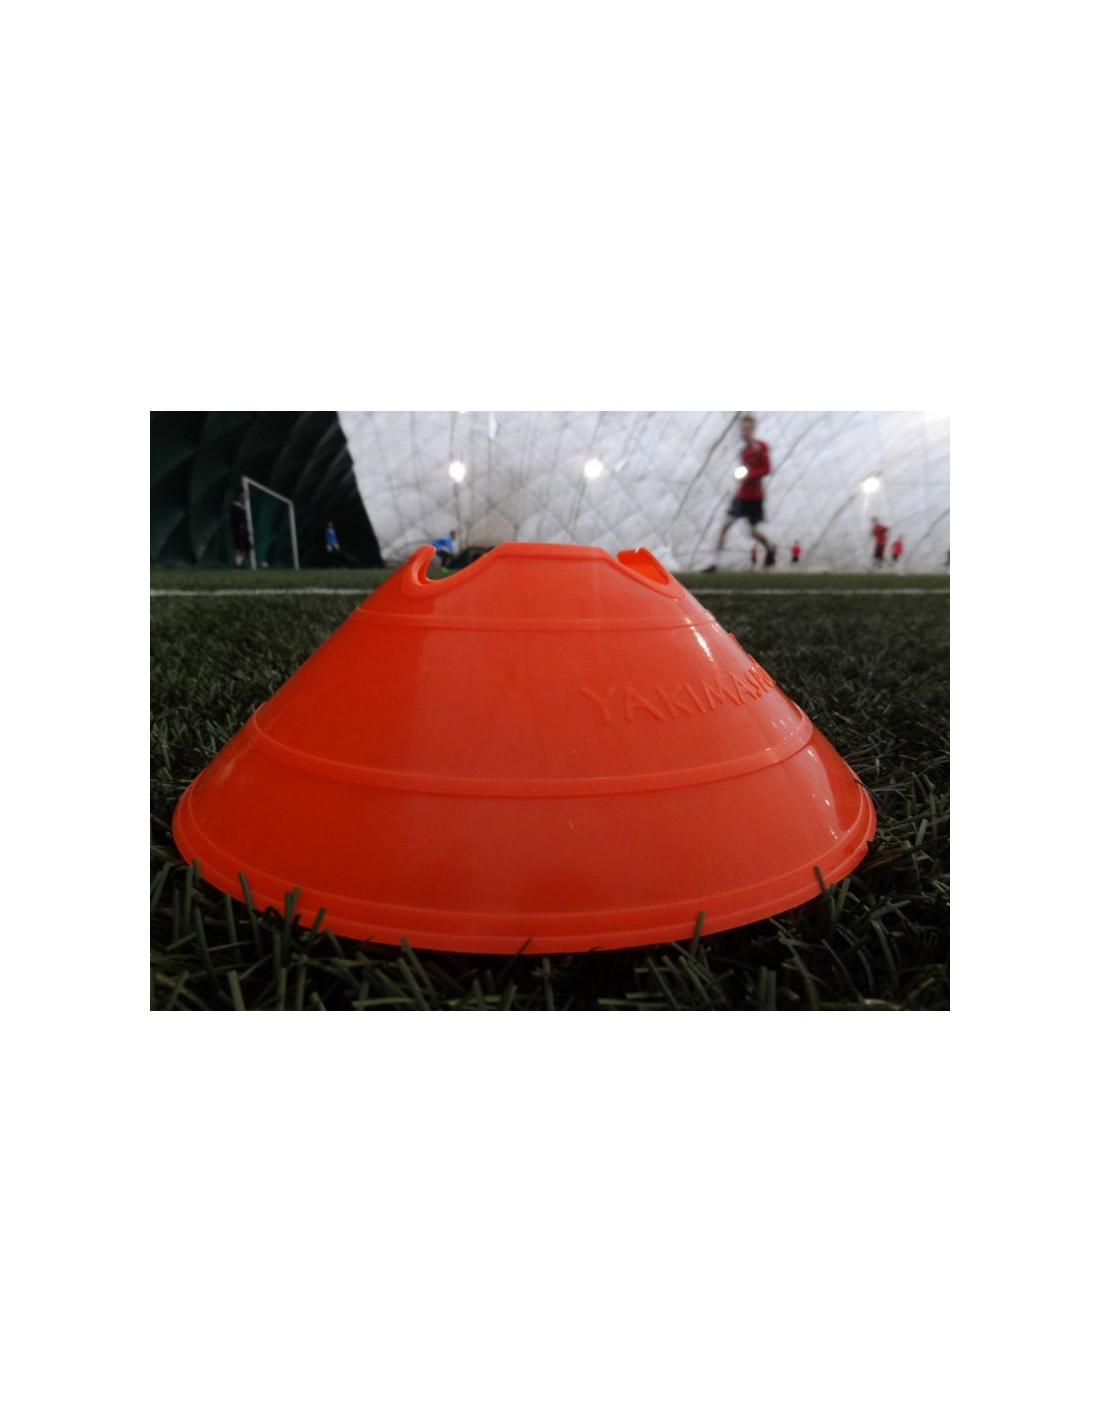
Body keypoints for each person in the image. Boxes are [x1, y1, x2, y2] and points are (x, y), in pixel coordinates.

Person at [705, 414, 777, 570]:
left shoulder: (760, 447)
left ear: (753, 430)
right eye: (743, 429)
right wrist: (741, 475)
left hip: (755, 497)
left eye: (748, 429)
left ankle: (770, 547)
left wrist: (750, 475)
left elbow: (767, 469)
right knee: (725, 526)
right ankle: (715, 563)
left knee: (753, 532)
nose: (745, 432)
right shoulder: (744, 451)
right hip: (741, 496)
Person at [230, 487, 251, 568]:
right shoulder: (236, 505)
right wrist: (240, 526)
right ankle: (238, 563)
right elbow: (236, 518)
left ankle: (241, 563)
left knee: (245, 546)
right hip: (238, 529)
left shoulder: (244, 505)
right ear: (240, 494)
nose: (245, 495)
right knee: (239, 545)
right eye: (243, 493)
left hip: (243, 528)